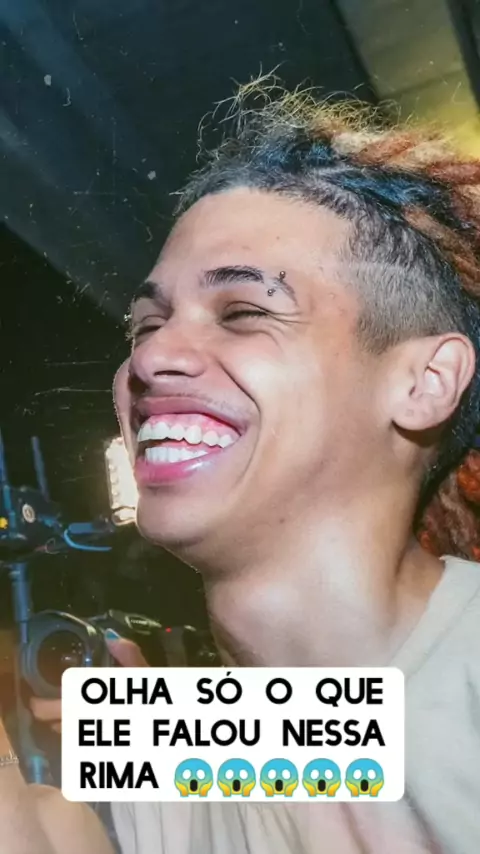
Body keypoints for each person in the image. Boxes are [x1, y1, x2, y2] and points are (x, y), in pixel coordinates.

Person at [12, 79, 480, 852]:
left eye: (245, 313)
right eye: (145, 325)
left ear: (424, 383)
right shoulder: (184, 744)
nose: (150, 359)